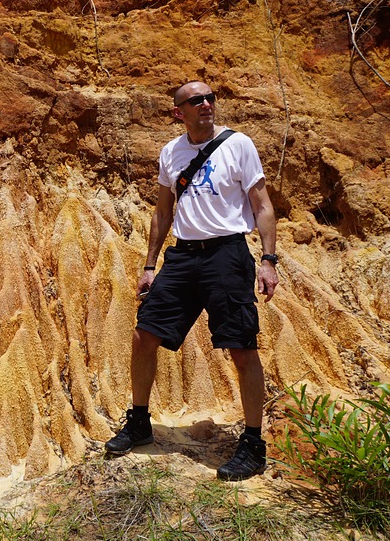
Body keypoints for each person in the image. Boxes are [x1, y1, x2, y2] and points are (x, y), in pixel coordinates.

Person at [105, 81, 279, 481]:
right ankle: (139, 422)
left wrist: (268, 259)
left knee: (241, 346)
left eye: (210, 98)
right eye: (195, 100)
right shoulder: (171, 152)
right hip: (182, 256)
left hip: (227, 255)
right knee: (144, 334)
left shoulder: (239, 145)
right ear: (178, 111)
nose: (206, 105)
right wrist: (150, 266)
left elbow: (262, 204)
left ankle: (253, 444)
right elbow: (162, 213)